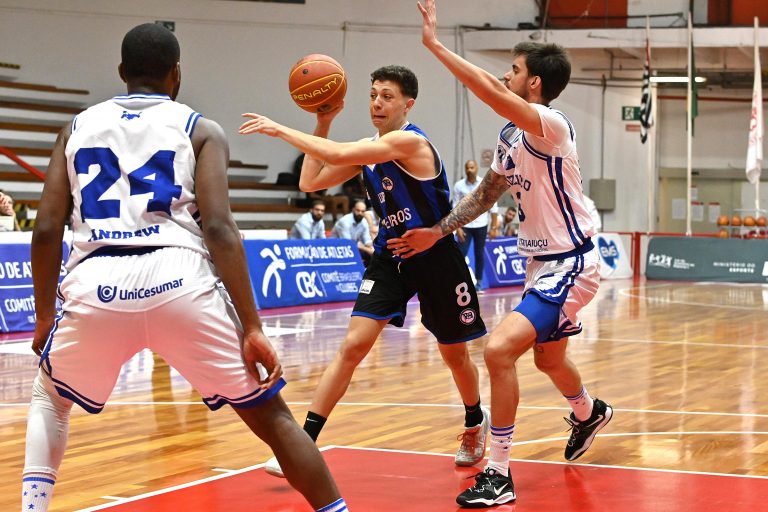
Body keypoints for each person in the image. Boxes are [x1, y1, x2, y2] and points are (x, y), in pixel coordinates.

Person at [22, 23, 346, 512]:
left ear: (121, 71)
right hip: (179, 278)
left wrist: (45, 315)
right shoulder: (200, 129)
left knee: (50, 398)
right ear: (177, 73)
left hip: (97, 279)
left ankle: (32, 507)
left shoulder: (76, 127)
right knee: (273, 418)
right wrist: (252, 327)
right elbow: (219, 228)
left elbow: (47, 229)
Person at [388, 1, 613, 507]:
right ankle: (589, 412)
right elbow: (486, 195)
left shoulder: (551, 124)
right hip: (540, 265)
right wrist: (438, 231)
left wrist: (435, 45)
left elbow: (490, 92)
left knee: (498, 350)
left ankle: (499, 473)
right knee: (549, 359)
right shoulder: (511, 135)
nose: (505, 76)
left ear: (534, 83)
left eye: (513, 70)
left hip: (572, 262)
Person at [240, 64, 489, 478]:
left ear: (408, 104)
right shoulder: (368, 152)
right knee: (353, 346)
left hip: (436, 256)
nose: (377, 103)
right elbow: (310, 182)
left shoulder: (410, 142)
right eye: (373, 94)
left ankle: (475, 421)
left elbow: (338, 155)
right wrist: (322, 122)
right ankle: (303, 443)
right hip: (391, 257)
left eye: (387, 96)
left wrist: (279, 129)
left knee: (454, 353)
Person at [453, 159, 499, 291]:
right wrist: (458, 228)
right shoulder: (459, 186)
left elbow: (493, 207)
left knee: (479, 254)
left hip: (481, 225)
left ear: (477, 168)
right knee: (461, 254)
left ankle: (479, 283)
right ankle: (459, 282)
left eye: (472, 167)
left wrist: (494, 227)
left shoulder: (485, 184)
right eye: (467, 168)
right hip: (465, 225)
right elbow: (455, 207)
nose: (469, 170)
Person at [330, 198, 374, 265]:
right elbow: (347, 242)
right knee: (367, 252)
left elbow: (367, 240)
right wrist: (367, 249)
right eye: (358, 210)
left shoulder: (364, 222)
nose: (360, 213)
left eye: (362, 211)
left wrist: (372, 248)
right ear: (353, 209)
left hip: (352, 247)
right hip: (336, 248)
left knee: (375, 254)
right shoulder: (344, 221)